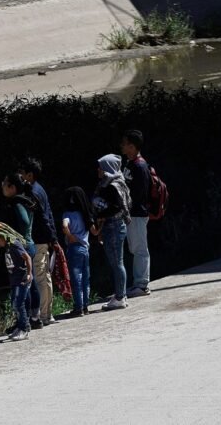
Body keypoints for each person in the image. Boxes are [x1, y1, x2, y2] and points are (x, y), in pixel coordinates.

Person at [19, 158, 59, 326]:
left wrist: (52, 238)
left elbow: (43, 217)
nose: (21, 176)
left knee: (40, 277)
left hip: (39, 239)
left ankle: (44, 315)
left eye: (23, 173)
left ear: (30, 175)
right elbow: (49, 214)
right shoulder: (39, 189)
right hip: (45, 239)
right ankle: (47, 313)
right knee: (45, 276)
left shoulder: (33, 193)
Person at [0, 172, 42, 330]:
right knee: (30, 282)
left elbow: (24, 222)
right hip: (29, 244)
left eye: (5, 182)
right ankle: (34, 317)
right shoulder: (26, 200)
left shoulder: (16, 202)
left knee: (22, 284)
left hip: (22, 247)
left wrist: (15, 238)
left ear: (12, 187)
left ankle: (24, 321)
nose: (2, 185)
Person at [93, 154, 132, 310]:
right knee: (117, 262)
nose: (98, 170)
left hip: (114, 226)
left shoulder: (113, 186)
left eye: (101, 167)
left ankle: (120, 297)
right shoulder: (112, 183)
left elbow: (117, 207)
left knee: (117, 262)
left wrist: (101, 215)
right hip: (114, 226)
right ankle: (120, 294)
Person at [0, 222, 33, 341]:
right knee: (15, 302)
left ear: (2, 235)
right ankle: (19, 326)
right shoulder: (8, 246)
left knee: (19, 303)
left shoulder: (15, 244)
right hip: (14, 280)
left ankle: (24, 329)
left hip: (21, 278)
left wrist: (29, 273)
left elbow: (27, 257)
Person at [121, 129, 152, 297]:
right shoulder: (130, 163)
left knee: (140, 248)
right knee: (135, 248)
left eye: (124, 144)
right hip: (131, 213)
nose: (122, 146)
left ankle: (141, 284)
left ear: (132, 147)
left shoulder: (140, 166)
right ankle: (138, 283)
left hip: (137, 213)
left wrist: (128, 206)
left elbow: (139, 192)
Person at [61, 186, 96, 317]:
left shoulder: (67, 214)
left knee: (76, 279)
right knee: (86, 279)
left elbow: (64, 225)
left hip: (74, 248)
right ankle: (86, 306)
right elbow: (94, 231)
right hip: (85, 249)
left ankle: (78, 308)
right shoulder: (85, 214)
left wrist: (70, 236)